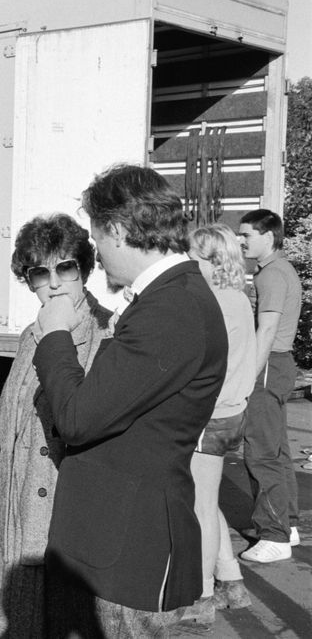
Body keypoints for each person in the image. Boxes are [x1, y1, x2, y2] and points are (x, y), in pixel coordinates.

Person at [33, 164, 227, 637]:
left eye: (97, 240)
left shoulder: (171, 309)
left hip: (127, 553)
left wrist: (54, 335)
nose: (97, 257)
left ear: (118, 230)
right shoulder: (165, 298)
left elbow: (79, 418)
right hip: (110, 540)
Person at [0, 213, 112, 637]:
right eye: (40, 272)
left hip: (66, 521)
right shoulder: (31, 334)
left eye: (66, 268)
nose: (54, 282)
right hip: (19, 509)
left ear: (85, 269)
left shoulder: (106, 335)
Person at [179, 224, 256, 626]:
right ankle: (232, 582)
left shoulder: (211, 303)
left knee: (201, 508)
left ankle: (201, 597)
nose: (187, 261)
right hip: (234, 411)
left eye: (193, 254)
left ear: (211, 259)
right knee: (208, 500)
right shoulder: (239, 297)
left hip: (211, 415)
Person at [237, 209, 303, 562]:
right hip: (277, 363)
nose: (241, 241)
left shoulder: (272, 275)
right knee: (276, 450)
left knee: (260, 452)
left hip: (267, 364)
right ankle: (287, 526)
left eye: (246, 234)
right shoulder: (277, 271)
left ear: (269, 236)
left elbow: (266, 329)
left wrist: (249, 375)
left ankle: (274, 535)